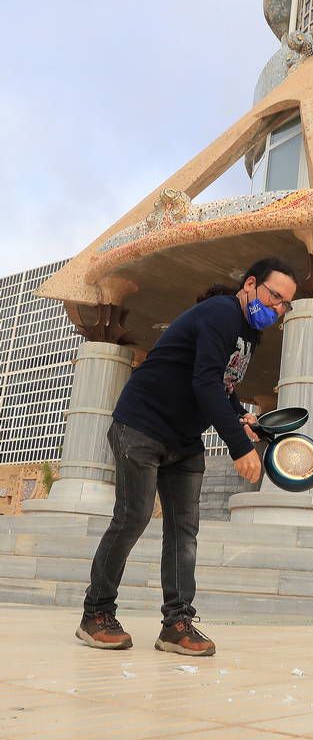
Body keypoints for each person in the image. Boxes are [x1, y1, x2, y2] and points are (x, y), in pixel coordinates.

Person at [75, 257, 298, 655]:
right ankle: (96, 614)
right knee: (133, 516)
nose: (278, 308)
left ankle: (177, 624)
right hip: (141, 425)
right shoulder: (220, 313)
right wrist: (240, 446)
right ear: (250, 284)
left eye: (285, 305)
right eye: (274, 296)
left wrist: (239, 416)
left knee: (184, 531)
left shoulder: (249, 333)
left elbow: (222, 384)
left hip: (184, 439)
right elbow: (204, 381)